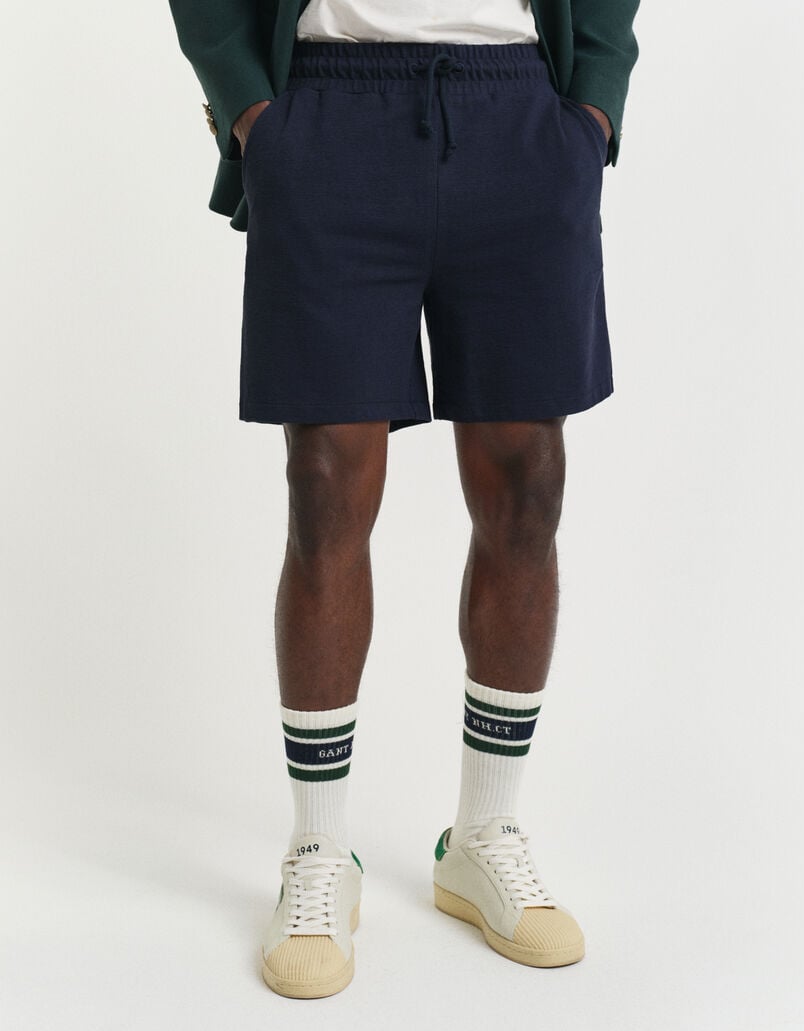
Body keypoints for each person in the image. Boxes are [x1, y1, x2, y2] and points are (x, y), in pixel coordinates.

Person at [167, 0, 640, 1000]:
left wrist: (593, 100)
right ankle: (318, 850)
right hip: (329, 113)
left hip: (521, 113)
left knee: (527, 483)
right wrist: (250, 108)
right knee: (326, 483)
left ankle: (484, 832)